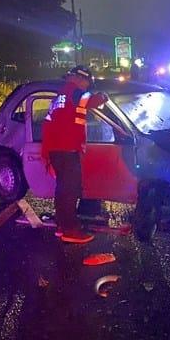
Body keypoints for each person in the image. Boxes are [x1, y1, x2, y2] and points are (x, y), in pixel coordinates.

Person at [41, 65, 109, 244]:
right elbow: (93, 101)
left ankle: (62, 226)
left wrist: (46, 153)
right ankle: (71, 230)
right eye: (87, 82)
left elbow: (48, 125)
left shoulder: (59, 96)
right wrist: (104, 96)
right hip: (67, 149)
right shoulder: (76, 92)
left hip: (56, 150)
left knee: (62, 190)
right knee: (70, 190)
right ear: (81, 79)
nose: (87, 86)